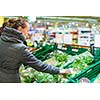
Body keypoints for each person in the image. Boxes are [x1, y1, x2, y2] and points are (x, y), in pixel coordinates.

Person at [0, 18, 71, 83]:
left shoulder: (1, 39)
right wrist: (59, 71)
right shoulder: (20, 48)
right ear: (20, 28)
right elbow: (39, 66)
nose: (28, 34)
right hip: (9, 79)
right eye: (27, 30)